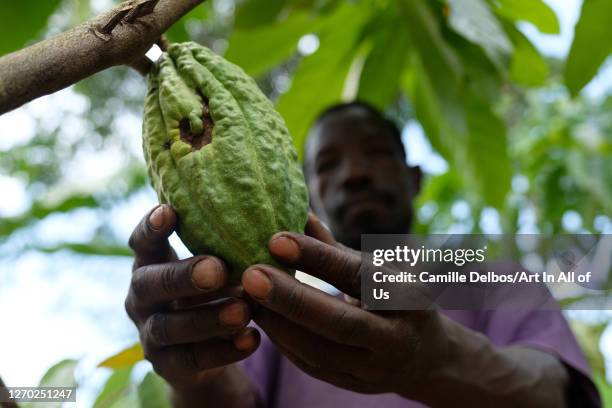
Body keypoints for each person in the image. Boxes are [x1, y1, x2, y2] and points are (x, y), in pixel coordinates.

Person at [124, 102, 600, 407]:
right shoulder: (278, 313)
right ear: (306, 193)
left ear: (414, 178)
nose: (354, 174)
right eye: (329, 164)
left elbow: (559, 392)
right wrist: (194, 370)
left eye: (375, 153)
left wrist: (437, 362)